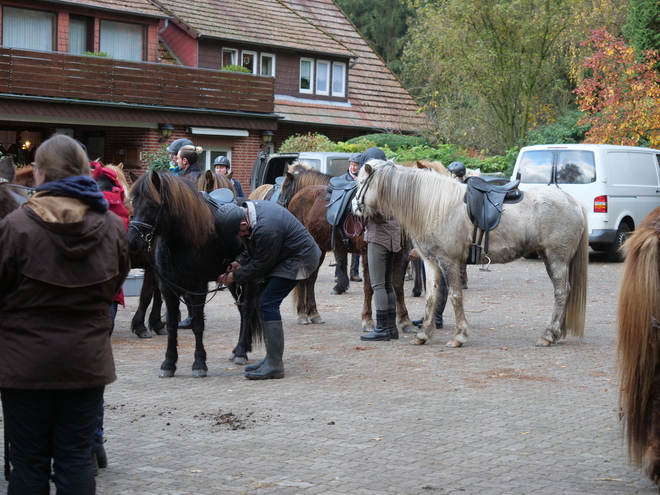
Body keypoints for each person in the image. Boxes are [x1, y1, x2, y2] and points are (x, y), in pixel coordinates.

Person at [0, 134, 130, 493]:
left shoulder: (14, 227)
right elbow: (115, 283)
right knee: (75, 461)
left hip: (25, 366)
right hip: (85, 363)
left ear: (40, 175)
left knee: (28, 464)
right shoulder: (111, 228)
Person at [215, 199, 321, 379]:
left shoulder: (267, 227)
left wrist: (234, 277)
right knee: (261, 299)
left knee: (268, 302)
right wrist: (238, 262)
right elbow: (253, 245)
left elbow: (262, 263)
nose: (241, 237)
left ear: (243, 222)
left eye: (240, 233)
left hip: (300, 258)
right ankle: (270, 358)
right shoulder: (250, 214)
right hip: (286, 254)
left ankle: (275, 364)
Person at [359, 147, 401, 342]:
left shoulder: (377, 188)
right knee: (388, 284)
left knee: (377, 285)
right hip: (394, 238)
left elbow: (368, 211)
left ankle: (382, 328)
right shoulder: (394, 184)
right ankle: (392, 327)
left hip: (378, 238)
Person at [408, 248, 448, 329]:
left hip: (437, 245)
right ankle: (430, 315)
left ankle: (436, 317)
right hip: (427, 247)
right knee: (428, 277)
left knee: (440, 278)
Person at [341, 152, 362, 282]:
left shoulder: (362, 180)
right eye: (351, 165)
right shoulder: (343, 179)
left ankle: (354, 272)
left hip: (356, 216)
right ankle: (339, 273)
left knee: (356, 243)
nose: (353, 168)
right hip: (345, 215)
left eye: (355, 165)